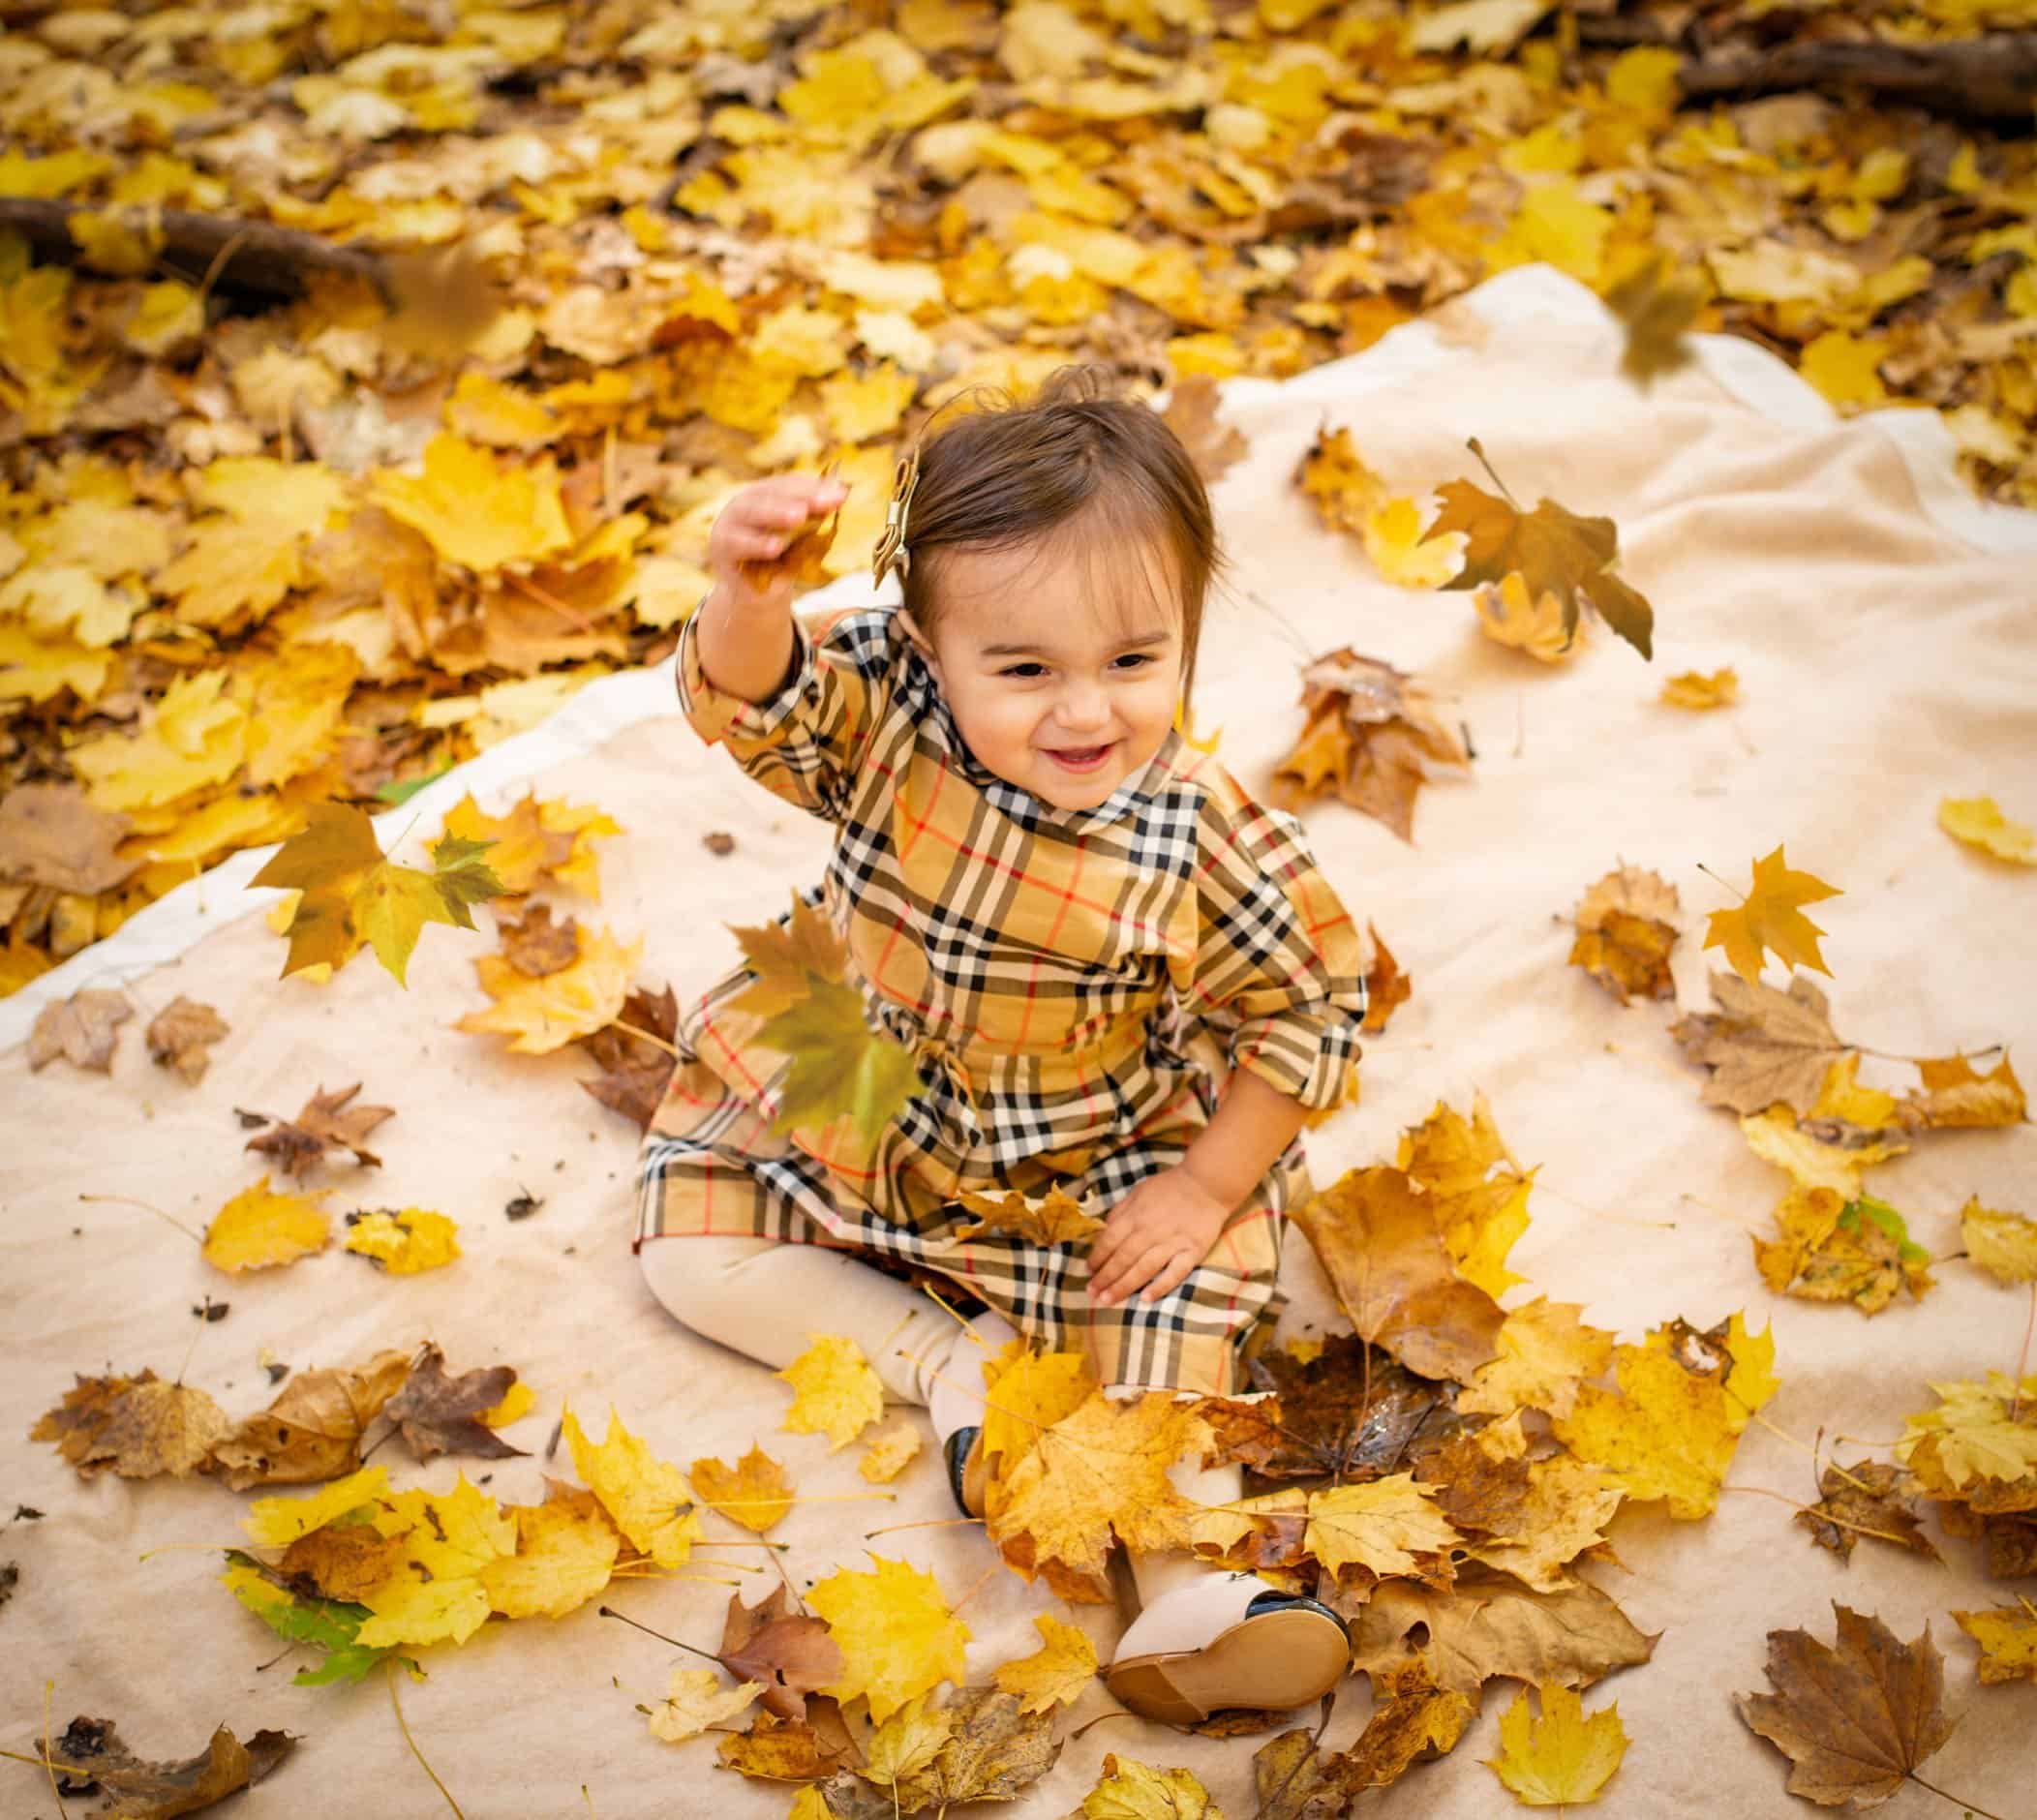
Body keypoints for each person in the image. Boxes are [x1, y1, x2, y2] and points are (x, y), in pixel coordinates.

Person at [633, 364, 1369, 1724]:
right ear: (925, 645)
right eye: (1024, 670)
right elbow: (756, 703)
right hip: (860, 1089)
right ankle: (944, 1365)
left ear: (1188, 643)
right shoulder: (889, 719)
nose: (1084, 712)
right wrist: (749, 596)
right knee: (687, 1249)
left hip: (1085, 1146)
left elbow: (1310, 1006)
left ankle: (1203, 1590)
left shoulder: (1201, 833)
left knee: (1162, 1347)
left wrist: (1205, 1187)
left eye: (1134, 663)